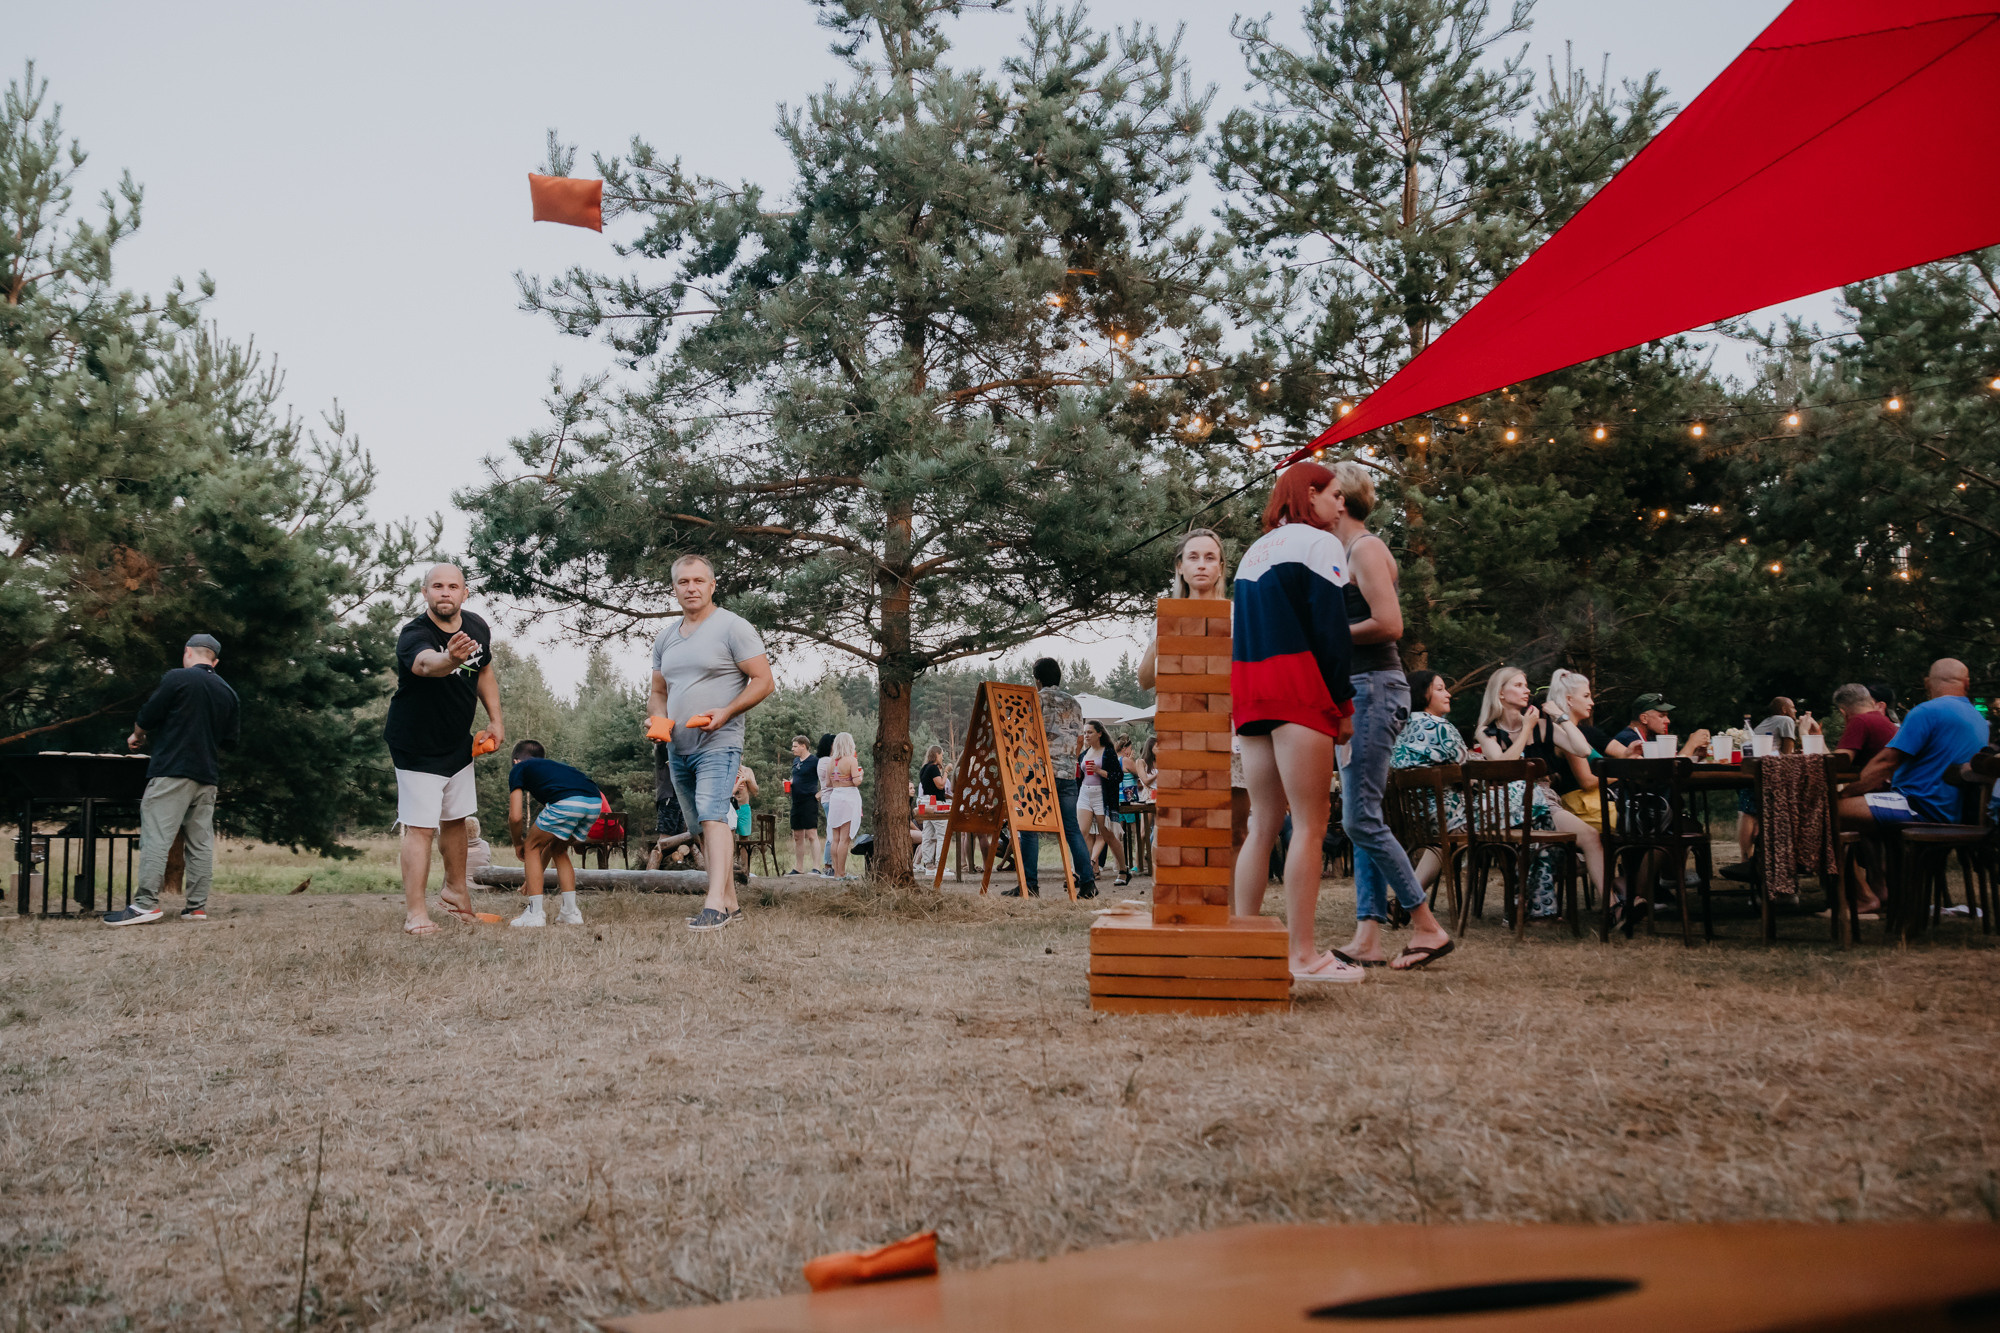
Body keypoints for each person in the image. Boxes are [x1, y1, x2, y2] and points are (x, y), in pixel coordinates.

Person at [1297, 462, 1455, 971]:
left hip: (1375, 688)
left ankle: (1427, 927)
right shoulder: (1342, 551)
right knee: (1364, 815)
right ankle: (1368, 935)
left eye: (1320, 493)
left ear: (1339, 499)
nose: (1314, 501)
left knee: (1360, 817)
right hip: (1355, 690)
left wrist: (1327, 635)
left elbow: (1390, 623)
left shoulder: (1365, 548)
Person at [1229, 461, 1366, 982]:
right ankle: (1302, 955)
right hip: (1298, 687)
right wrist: (1344, 704)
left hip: (1252, 690)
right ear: (1310, 494)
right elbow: (1331, 631)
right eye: (1334, 495)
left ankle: (1244, 949)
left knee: (1262, 823)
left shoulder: (1252, 553)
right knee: (1310, 822)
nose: (1340, 507)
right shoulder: (1320, 544)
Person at [646, 554, 775, 932]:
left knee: (712, 813)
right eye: (683, 582)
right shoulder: (665, 637)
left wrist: (726, 712)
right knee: (700, 825)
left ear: (713, 585)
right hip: (676, 745)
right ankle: (731, 903)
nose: (691, 588)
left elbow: (764, 681)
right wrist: (658, 719)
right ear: (674, 588)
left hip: (720, 740)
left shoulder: (733, 627)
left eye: (699, 581)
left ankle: (714, 904)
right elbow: (658, 690)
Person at [383, 564, 503, 937]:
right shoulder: (414, 633)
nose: (445, 592)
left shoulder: (478, 626)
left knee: (457, 821)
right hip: (416, 744)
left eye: (453, 586)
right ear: (425, 593)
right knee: (420, 828)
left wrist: (495, 720)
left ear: (464, 593)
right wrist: (450, 658)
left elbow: (484, 672)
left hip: (457, 742)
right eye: (437, 586)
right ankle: (416, 915)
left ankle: (456, 894)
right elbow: (423, 664)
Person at [105, 634, 241, 927]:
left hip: (172, 771)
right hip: (207, 777)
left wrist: (137, 735)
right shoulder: (229, 692)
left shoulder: (177, 678)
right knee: (200, 842)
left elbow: (148, 714)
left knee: (157, 836)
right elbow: (230, 741)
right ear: (214, 661)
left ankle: (145, 905)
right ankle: (196, 908)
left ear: (187, 653)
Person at [1838, 658, 1988, 916]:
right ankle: (1882, 888)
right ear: (1967, 683)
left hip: (1919, 806)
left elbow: (1886, 761)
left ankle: (1864, 896)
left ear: (1927, 683)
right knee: (1862, 821)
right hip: (1956, 812)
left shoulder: (1927, 712)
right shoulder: (1979, 719)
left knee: (1826, 811)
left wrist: (1846, 792)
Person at [1474, 666, 1606, 920]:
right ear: (1500, 694)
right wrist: (1525, 729)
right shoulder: (1486, 731)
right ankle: (1529, 905)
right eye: (1519, 685)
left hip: (1543, 800)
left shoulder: (1544, 727)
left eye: (1526, 685)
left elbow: (1582, 750)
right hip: (1508, 807)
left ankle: (1613, 905)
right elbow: (1503, 768)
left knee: (1589, 836)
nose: (1527, 690)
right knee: (1542, 842)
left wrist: (1561, 718)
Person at [1015, 658, 1097, 899]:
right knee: (1072, 830)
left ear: (1037, 679)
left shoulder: (1035, 699)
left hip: (1039, 773)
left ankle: (1029, 884)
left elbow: (1024, 733)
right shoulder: (1075, 703)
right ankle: (1088, 883)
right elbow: (1079, 739)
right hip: (1067, 774)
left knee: (1029, 829)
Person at [1389, 669, 1469, 893]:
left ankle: (1407, 897)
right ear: (1422, 694)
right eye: (1440, 689)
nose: (1449, 694)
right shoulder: (1441, 726)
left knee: (1442, 843)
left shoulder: (1398, 729)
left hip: (1413, 817)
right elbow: (1469, 774)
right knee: (1530, 801)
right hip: (1449, 815)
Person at [504, 740, 598, 927]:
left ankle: (535, 914)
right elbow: (545, 847)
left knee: (531, 845)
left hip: (568, 802)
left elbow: (515, 817)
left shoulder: (519, 767)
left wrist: (517, 843)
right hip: (594, 801)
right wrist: (533, 876)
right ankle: (570, 913)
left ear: (516, 760)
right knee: (558, 849)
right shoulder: (554, 769)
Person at [1077, 720, 1130, 887]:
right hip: (1085, 794)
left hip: (1102, 795)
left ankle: (1123, 870)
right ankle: (1084, 873)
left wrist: (1099, 771)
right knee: (1082, 833)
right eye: (1085, 732)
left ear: (1099, 733)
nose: (1086, 735)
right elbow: (1079, 776)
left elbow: (1118, 776)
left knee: (1107, 835)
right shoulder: (1084, 754)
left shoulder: (1108, 752)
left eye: (1090, 732)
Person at [1609, 693, 1711, 760]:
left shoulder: (1651, 738)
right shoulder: (1628, 740)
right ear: (1644, 718)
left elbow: (1668, 764)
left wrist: (1696, 755)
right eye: (1662, 716)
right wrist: (1691, 745)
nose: (1668, 721)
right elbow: (1663, 774)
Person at [824, 732, 865, 879]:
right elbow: (856, 782)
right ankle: (841, 873)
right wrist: (861, 775)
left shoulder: (831, 762)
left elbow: (828, 783)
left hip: (835, 797)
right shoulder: (851, 760)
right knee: (844, 838)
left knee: (835, 838)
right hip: (848, 798)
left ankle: (836, 873)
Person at [1832, 682, 1897, 767]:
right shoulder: (1885, 721)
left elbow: (1839, 763)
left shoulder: (1860, 721)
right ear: (1872, 702)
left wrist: (1810, 736)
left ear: (1843, 712)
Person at [785, 735, 823, 875]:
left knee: (812, 834)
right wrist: (789, 782)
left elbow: (826, 778)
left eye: (795, 746)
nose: (792, 749)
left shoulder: (815, 761)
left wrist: (820, 793)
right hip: (796, 801)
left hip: (809, 800)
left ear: (803, 746)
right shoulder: (796, 761)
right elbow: (796, 777)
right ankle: (799, 868)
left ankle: (816, 868)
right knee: (797, 835)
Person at [914, 744, 950, 875]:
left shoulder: (924, 768)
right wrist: (946, 772)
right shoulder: (934, 768)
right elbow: (940, 785)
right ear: (936, 754)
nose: (942, 757)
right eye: (941, 755)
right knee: (942, 834)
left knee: (927, 834)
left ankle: (929, 865)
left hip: (925, 802)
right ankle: (940, 866)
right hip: (935, 803)